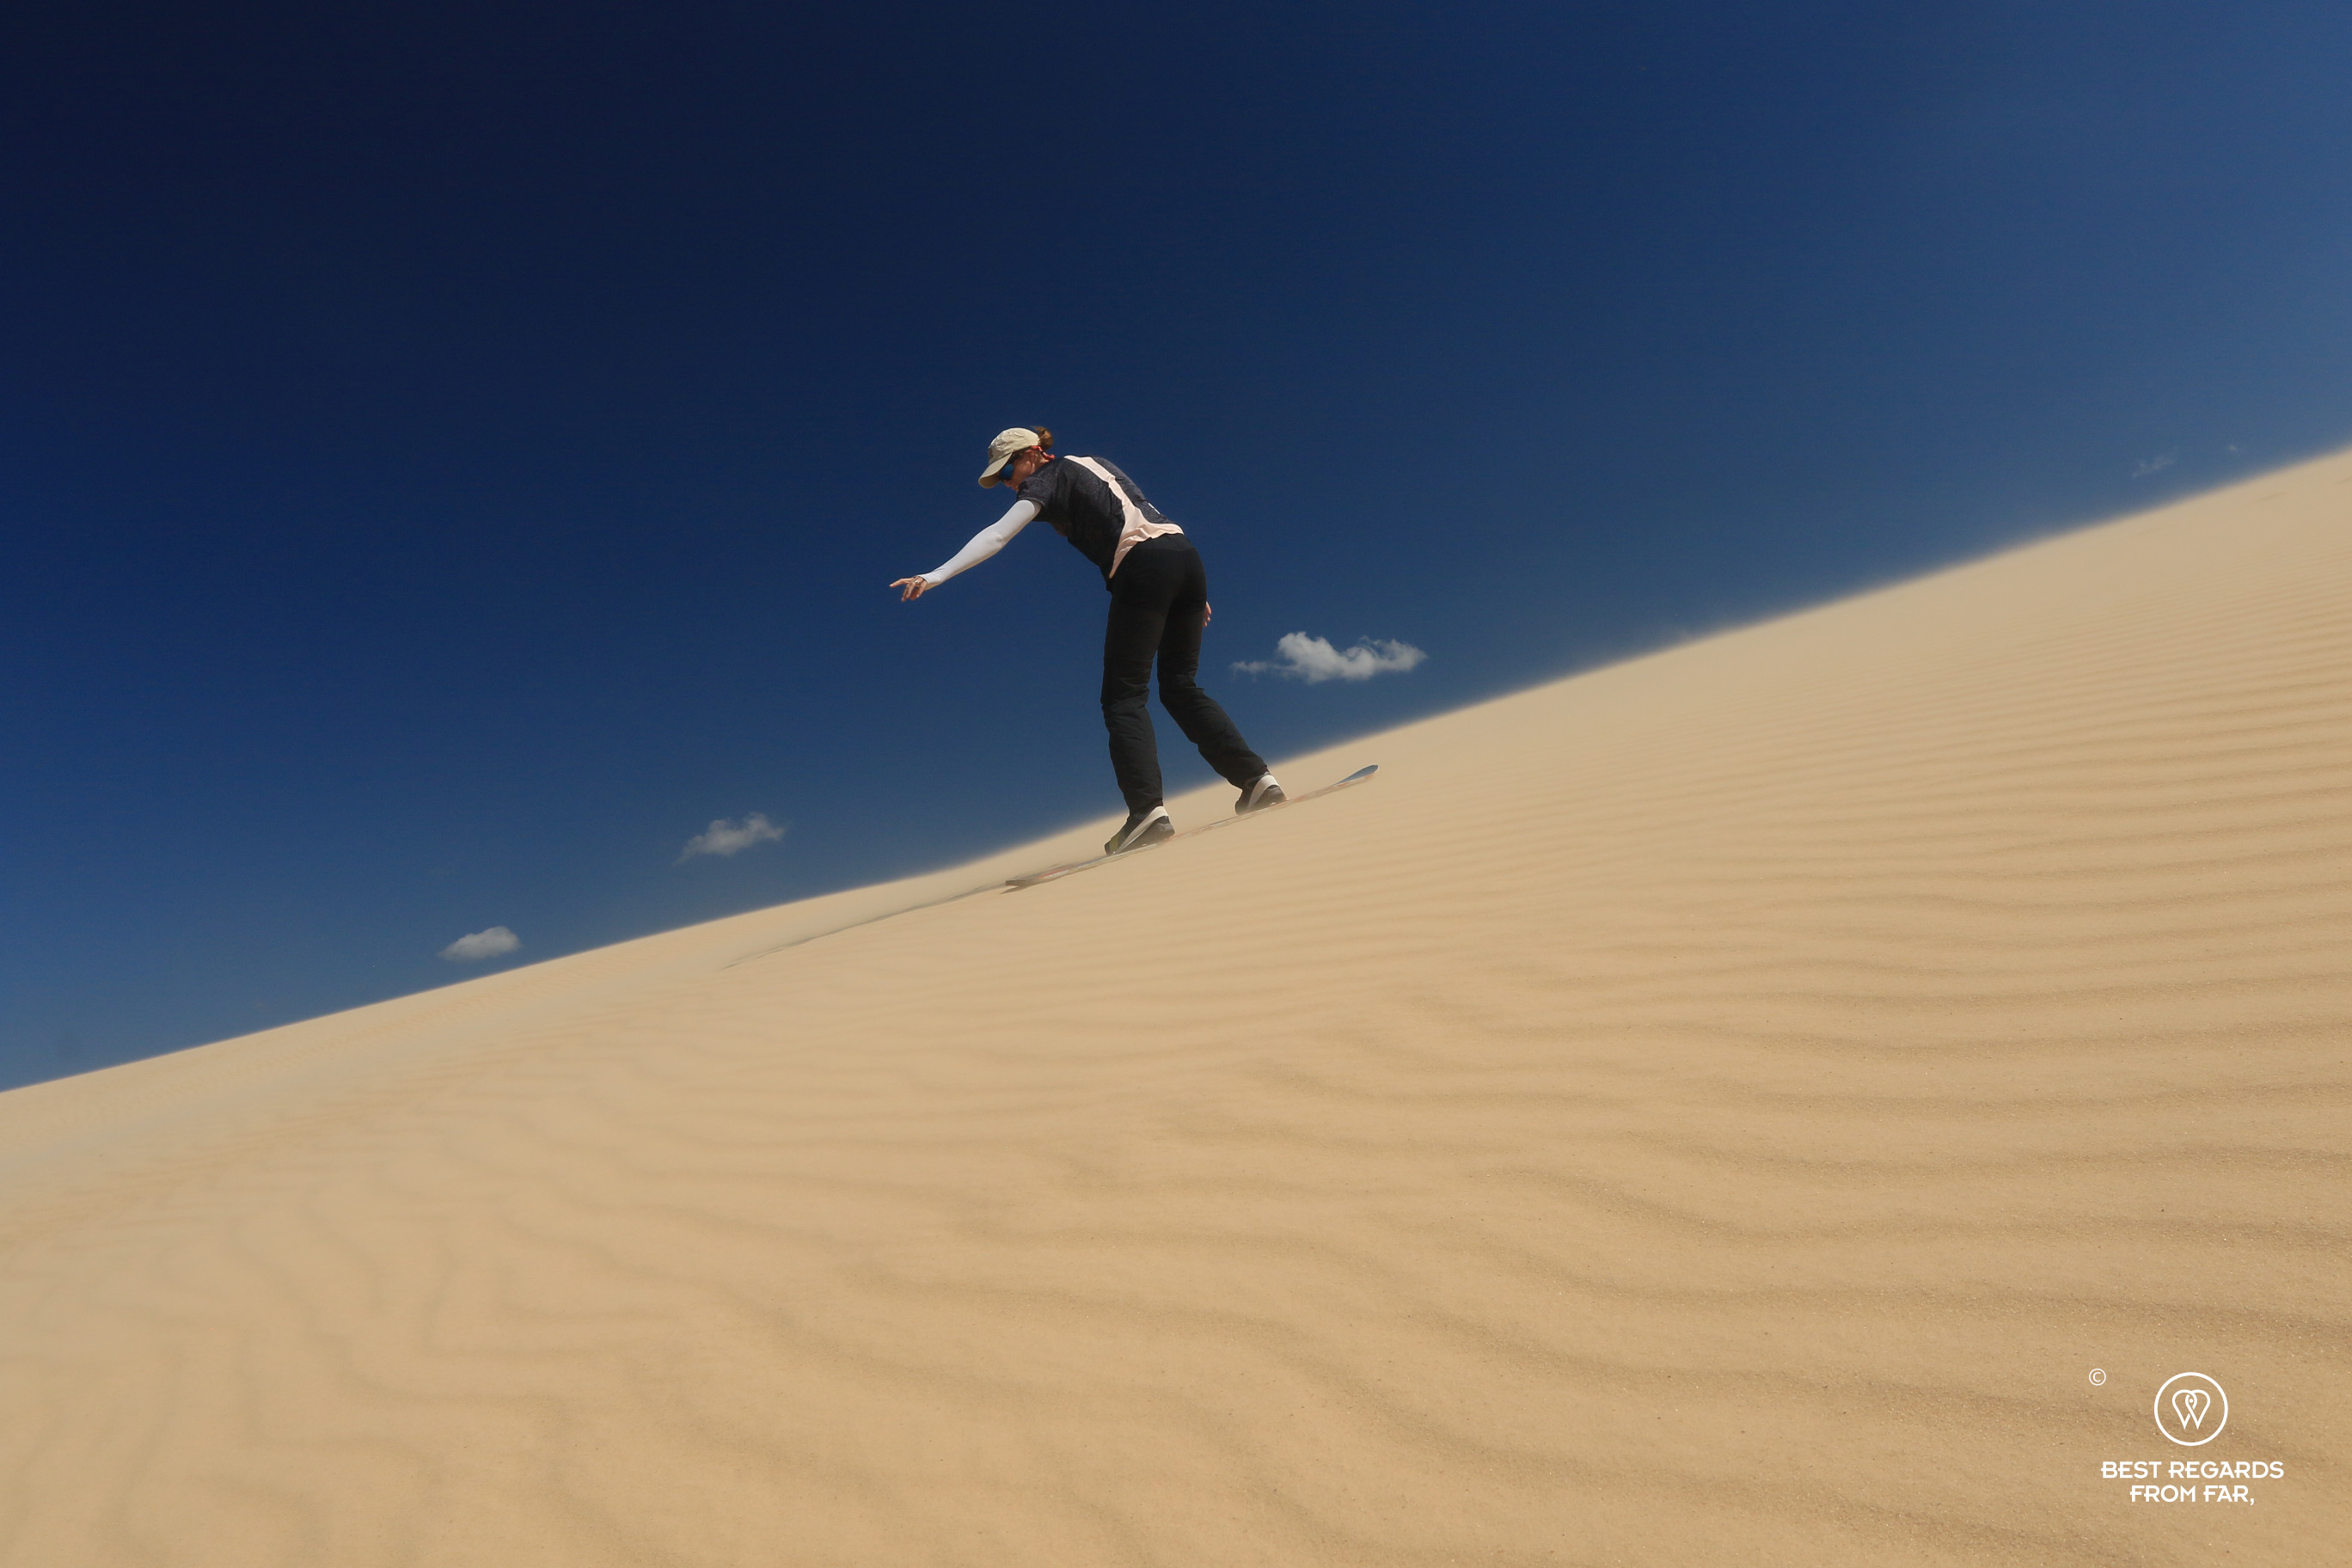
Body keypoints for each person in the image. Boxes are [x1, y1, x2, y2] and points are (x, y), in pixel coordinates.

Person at [891, 426, 1283, 855]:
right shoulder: (1096, 464)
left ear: (1034, 453)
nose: (1008, 483)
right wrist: (1185, 589)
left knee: (1122, 697)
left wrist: (934, 575)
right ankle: (1256, 781)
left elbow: (998, 535)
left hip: (1144, 568)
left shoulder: (1048, 477)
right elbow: (1141, 517)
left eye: (1007, 470)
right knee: (1180, 686)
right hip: (1184, 560)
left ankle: (1147, 814)